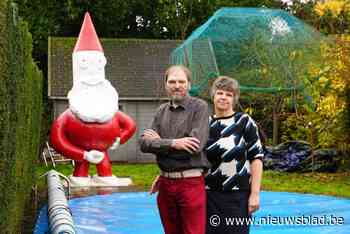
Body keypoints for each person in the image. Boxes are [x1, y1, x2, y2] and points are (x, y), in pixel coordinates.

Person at [139, 65, 210, 234]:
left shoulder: (200, 107)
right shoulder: (161, 111)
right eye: (172, 81)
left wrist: (158, 143)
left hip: (190, 183)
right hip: (165, 184)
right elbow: (143, 144)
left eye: (181, 81)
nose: (177, 85)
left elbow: (195, 146)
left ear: (189, 85)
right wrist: (173, 143)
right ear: (166, 85)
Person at [205, 76, 263, 234]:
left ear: (234, 99)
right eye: (220, 93)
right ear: (213, 95)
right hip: (208, 196)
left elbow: (256, 158)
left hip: (238, 196)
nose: (223, 97)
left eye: (229, 94)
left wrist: (255, 194)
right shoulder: (204, 124)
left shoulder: (244, 122)